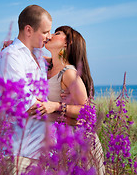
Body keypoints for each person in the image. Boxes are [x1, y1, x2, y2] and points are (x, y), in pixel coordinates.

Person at [33, 25, 105, 174]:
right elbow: (30, 54)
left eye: (57, 33)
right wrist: (13, 44)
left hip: (79, 143)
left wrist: (57, 106)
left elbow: (87, 111)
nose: (50, 35)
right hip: (60, 141)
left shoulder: (69, 73)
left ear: (67, 43)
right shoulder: (48, 66)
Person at [0, 5, 52, 170]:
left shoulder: (38, 56)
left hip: (40, 155)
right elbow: (25, 104)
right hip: (19, 154)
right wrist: (60, 108)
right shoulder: (11, 57)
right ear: (28, 30)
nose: (50, 36)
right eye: (45, 32)